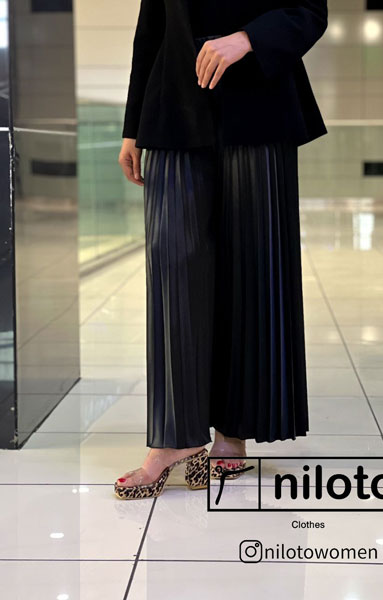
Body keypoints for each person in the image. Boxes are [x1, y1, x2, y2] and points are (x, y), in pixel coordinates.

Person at [115, 0, 328, 500]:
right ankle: (175, 437)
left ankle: (233, 430)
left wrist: (248, 39)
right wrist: (132, 127)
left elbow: (309, 10)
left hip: (259, 103)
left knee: (250, 269)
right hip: (172, 108)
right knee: (172, 266)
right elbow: (150, 33)